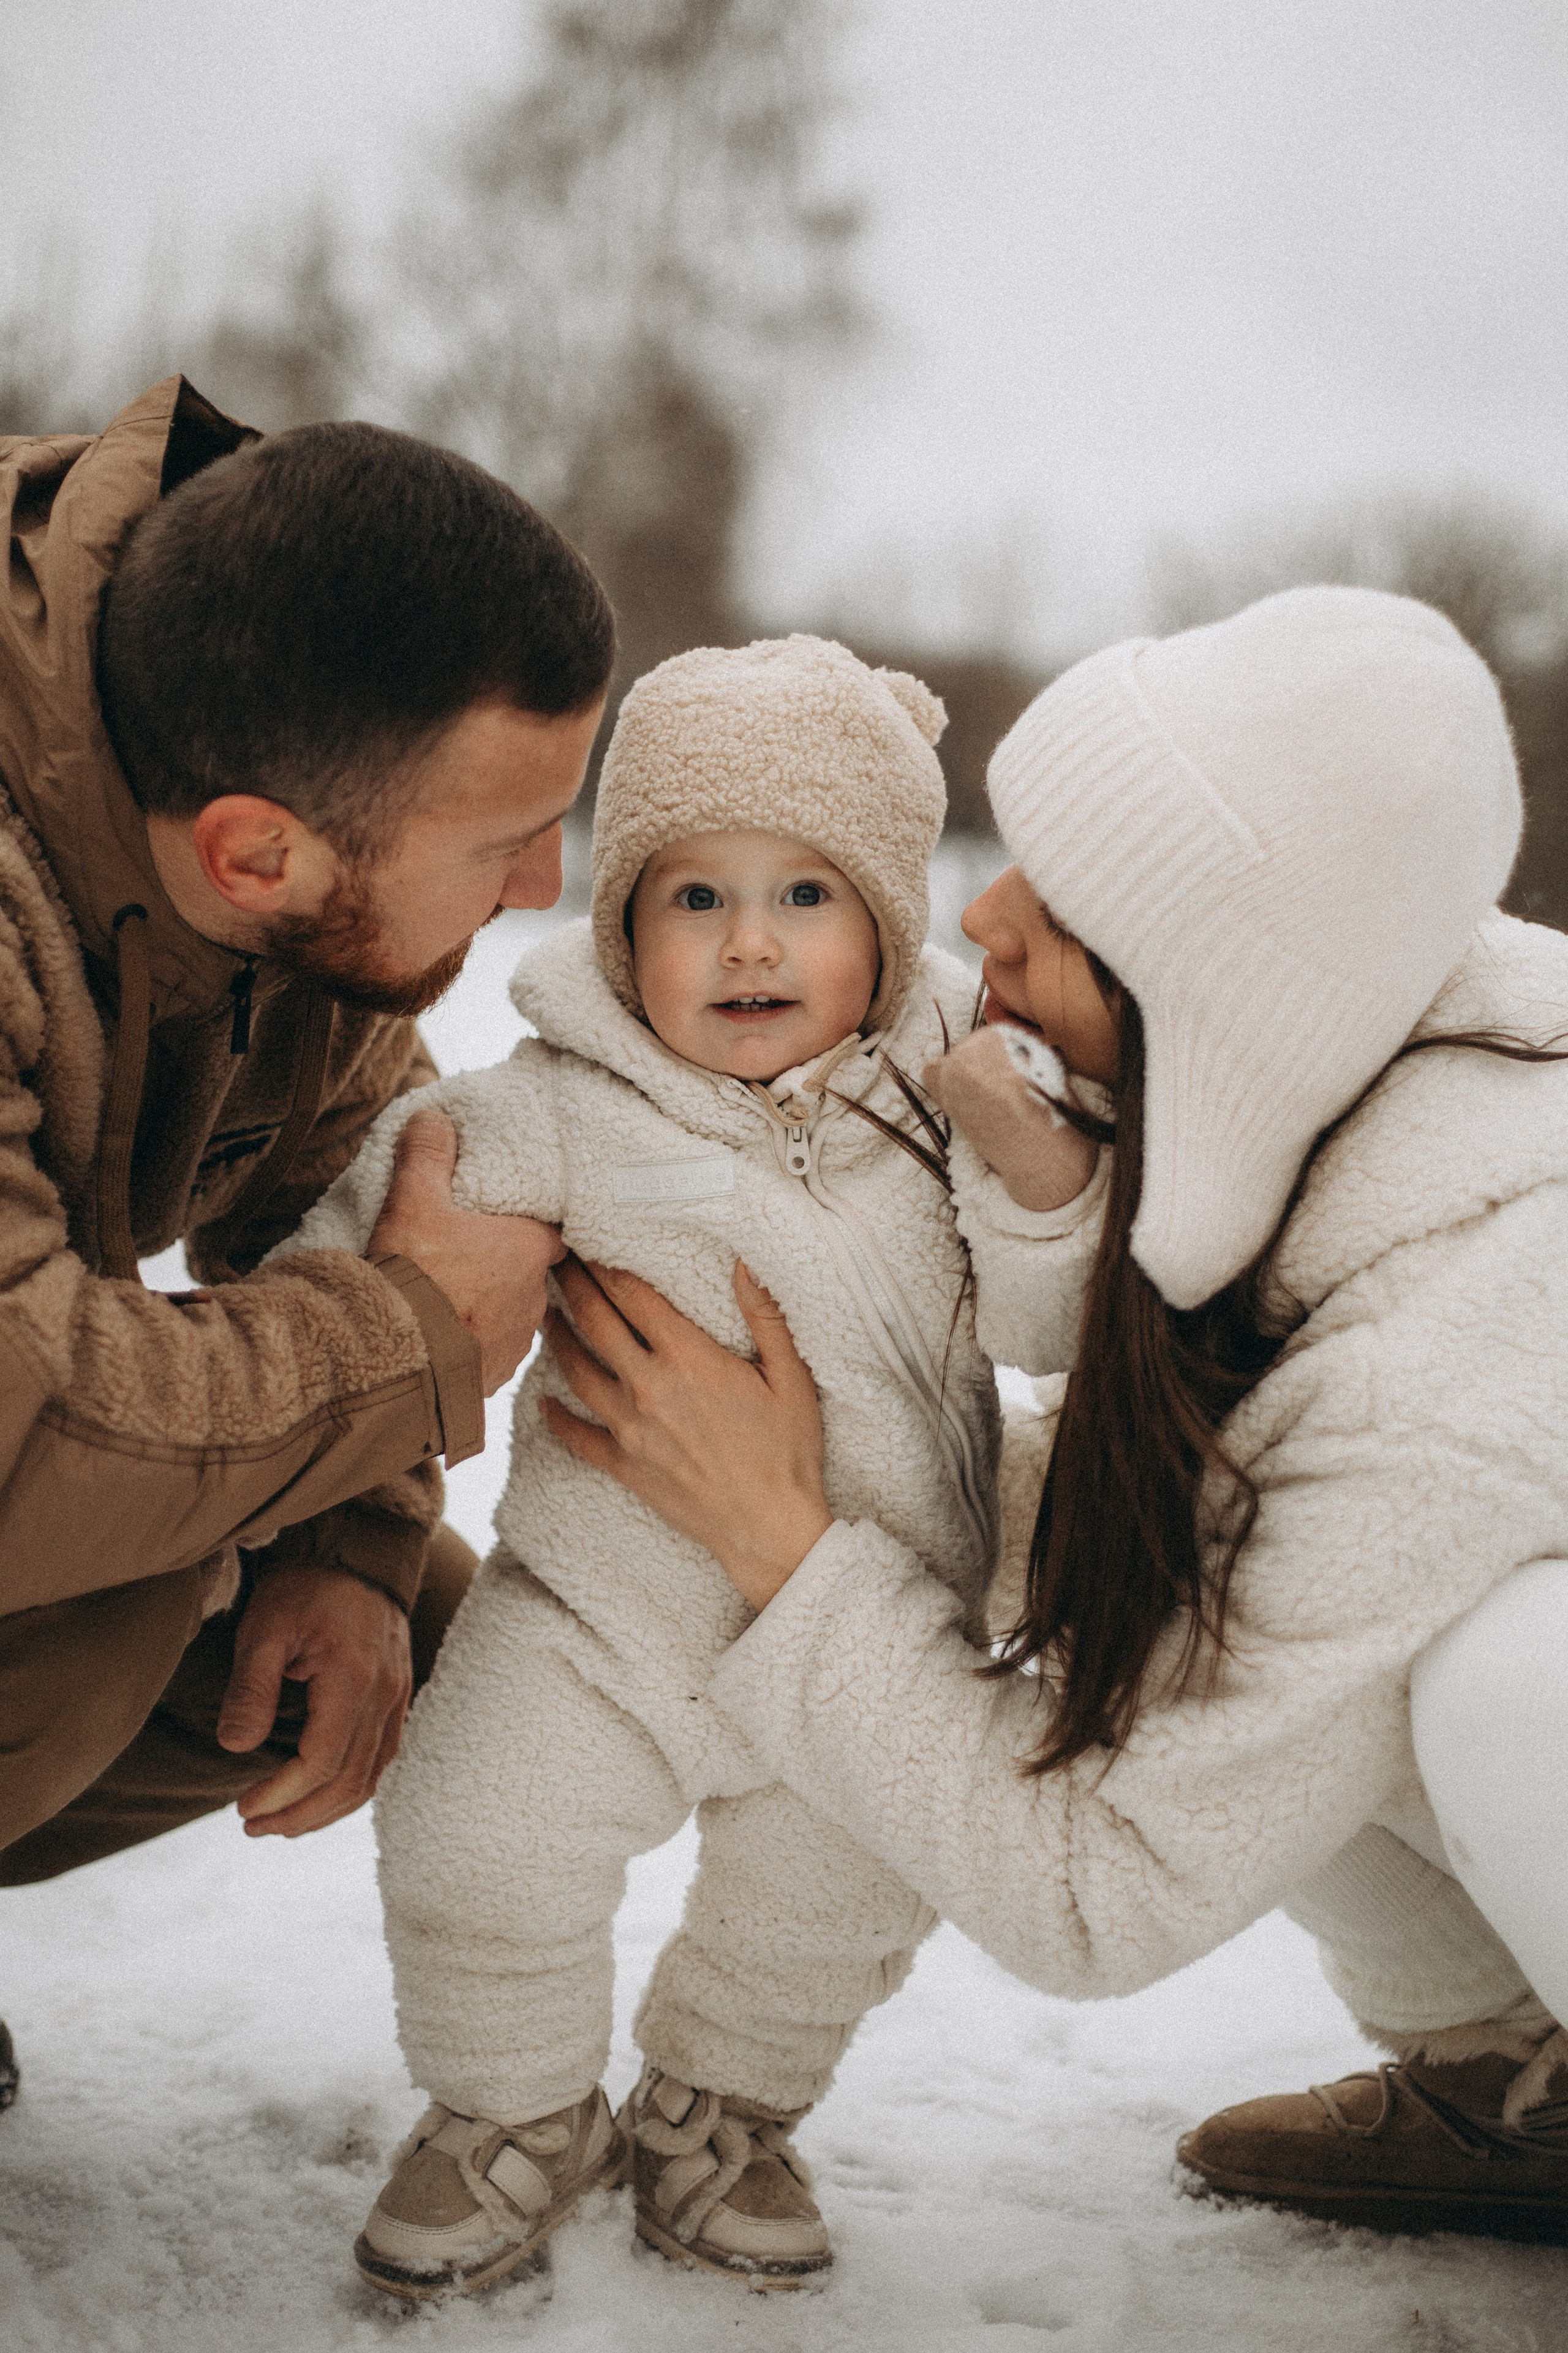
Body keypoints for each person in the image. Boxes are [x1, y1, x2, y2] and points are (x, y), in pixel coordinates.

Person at [541, 586, 1568, 2247]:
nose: (986, 918)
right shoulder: (1391, 1016)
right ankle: (1513, 2079)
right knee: (1185, 1539)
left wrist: (785, 1539)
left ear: (1216, 996)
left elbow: (1102, 1891)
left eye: (1074, 905)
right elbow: (1122, 1510)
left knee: (1511, 1679)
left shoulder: (1448, 1359)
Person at [278, 635, 1001, 2295]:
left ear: (889, 917)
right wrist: (320, 1400)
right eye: (695, 897)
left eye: (808, 894)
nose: (750, 940)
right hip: (600, 1611)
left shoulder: (957, 1098)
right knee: (477, 1832)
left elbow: (1071, 1264)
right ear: (622, 919)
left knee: (837, 1887)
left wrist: (1042, 1183)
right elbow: (383, 1218)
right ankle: (512, 2110)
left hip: (866, 1618)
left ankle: (720, 2111)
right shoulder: (565, 1103)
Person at [0, 382, 608, 2066]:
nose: (546, 883)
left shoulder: (276, 824)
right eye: (500, 839)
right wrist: (413, 1348)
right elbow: (20, 1425)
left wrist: (349, 1537)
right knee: (113, 1594)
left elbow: (354, 1173)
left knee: (416, 1616)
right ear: (255, 851)